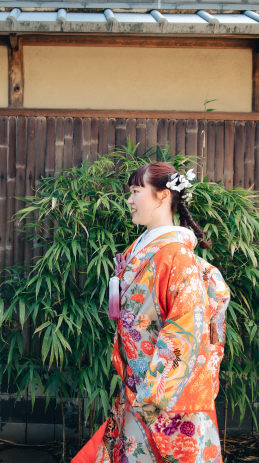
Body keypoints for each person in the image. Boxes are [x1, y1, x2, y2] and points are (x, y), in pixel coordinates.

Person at [74, 162, 230, 463]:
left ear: (161, 196)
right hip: (138, 388)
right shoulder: (146, 251)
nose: (129, 200)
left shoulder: (177, 258)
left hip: (163, 396)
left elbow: (186, 329)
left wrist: (153, 396)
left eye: (135, 191)